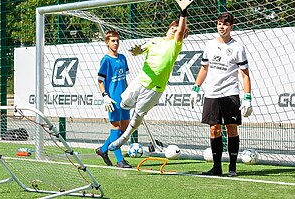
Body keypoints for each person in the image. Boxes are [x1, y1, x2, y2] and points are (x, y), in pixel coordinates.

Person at [108, 4, 189, 152]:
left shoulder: (175, 45)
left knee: (138, 115)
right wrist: (138, 50)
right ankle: (144, 104)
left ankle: (125, 137)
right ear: (168, 28)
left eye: (178, 30)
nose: (175, 31)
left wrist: (183, 12)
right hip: (140, 80)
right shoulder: (155, 41)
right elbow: (141, 49)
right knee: (123, 103)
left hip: (155, 88)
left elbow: (180, 31)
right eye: (173, 28)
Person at [190, 12, 253, 177]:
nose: (221, 27)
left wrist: (247, 97)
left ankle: (232, 167)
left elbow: (245, 74)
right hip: (212, 93)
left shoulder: (238, 48)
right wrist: (196, 88)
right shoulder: (209, 45)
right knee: (214, 130)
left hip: (230, 93)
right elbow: (204, 68)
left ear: (231, 27)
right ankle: (216, 168)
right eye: (219, 24)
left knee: (231, 128)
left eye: (225, 24)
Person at [96, 30, 132, 168]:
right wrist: (105, 96)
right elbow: (100, 81)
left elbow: (125, 79)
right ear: (107, 42)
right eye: (113, 41)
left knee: (125, 128)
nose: (116, 43)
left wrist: (129, 94)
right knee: (115, 126)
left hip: (124, 99)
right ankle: (119, 160)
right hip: (113, 100)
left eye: (117, 40)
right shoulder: (106, 60)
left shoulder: (122, 58)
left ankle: (103, 149)